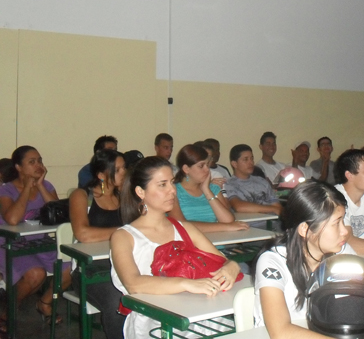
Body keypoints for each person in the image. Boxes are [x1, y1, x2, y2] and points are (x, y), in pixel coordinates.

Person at [254, 180, 364, 339]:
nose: (345, 231)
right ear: (305, 229)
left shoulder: (341, 252)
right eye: (336, 223)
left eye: (343, 221)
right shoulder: (273, 261)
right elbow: (280, 332)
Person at [110, 156, 241, 339]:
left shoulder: (184, 228)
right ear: (140, 192)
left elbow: (221, 261)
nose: (172, 190)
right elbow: (134, 284)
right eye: (162, 185)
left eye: (172, 182)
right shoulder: (124, 237)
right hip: (155, 321)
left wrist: (232, 266)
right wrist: (187, 283)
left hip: (197, 313)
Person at [0, 146, 71, 325]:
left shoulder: (46, 186)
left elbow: (60, 215)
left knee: (69, 269)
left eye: (40, 160)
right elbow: (12, 219)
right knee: (35, 274)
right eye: (32, 162)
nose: (38, 165)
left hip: (40, 241)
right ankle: (9, 309)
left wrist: (39, 186)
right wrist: (26, 188)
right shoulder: (6, 190)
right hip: (10, 243)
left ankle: (44, 303)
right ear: (18, 167)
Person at [69, 149, 127, 339]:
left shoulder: (124, 196)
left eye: (124, 168)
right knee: (117, 302)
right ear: (101, 175)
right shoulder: (82, 195)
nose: (124, 173)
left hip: (123, 263)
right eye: (118, 170)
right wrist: (123, 231)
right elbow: (83, 234)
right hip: (91, 270)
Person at [167, 145, 248, 232]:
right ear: (186, 169)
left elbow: (228, 220)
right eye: (201, 166)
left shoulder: (212, 189)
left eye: (207, 164)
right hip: (190, 240)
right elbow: (180, 225)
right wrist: (225, 227)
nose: (207, 170)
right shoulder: (173, 191)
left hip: (218, 239)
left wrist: (206, 190)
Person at [224, 145, 282, 216]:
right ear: (234, 164)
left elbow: (277, 206)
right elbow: (239, 207)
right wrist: (272, 209)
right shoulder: (229, 184)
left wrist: (274, 209)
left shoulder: (262, 181)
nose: (251, 162)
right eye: (246, 159)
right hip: (248, 222)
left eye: (252, 158)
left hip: (271, 221)